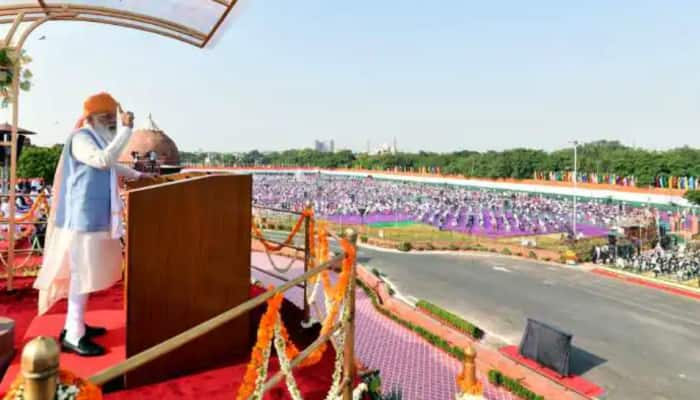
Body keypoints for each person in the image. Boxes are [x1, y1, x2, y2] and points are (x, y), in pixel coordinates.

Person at [34, 92, 154, 356]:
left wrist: (138, 174)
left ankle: (75, 326)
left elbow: (110, 166)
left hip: (96, 217)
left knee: (87, 273)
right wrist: (127, 130)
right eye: (107, 117)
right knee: (80, 274)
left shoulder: (99, 139)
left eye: (114, 117)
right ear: (91, 118)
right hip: (81, 219)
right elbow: (103, 161)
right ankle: (74, 336)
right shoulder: (81, 138)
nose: (112, 122)